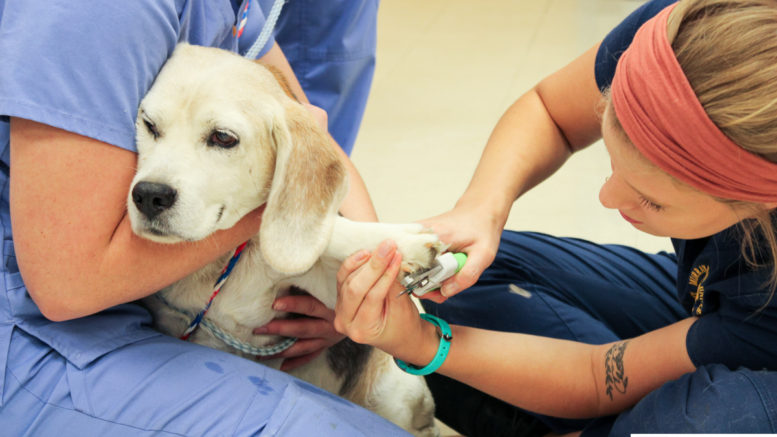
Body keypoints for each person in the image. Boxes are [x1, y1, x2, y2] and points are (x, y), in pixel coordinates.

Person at [334, 0, 777, 435]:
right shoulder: (694, 35)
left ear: (758, 203)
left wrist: (423, 344)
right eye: (613, 159)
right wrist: (481, 211)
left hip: (758, 344)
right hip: (709, 304)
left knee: (715, 421)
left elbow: (594, 379)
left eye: (652, 200)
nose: (608, 196)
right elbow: (551, 110)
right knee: (456, 277)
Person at [0, 1, 406, 435]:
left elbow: (305, 131)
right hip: (40, 336)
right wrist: (281, 206)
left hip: (130, 310)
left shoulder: (226, 7)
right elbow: (66, 286)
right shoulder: (100, 12)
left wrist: (364, 291)